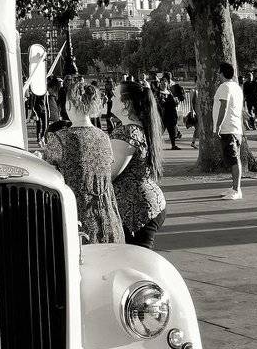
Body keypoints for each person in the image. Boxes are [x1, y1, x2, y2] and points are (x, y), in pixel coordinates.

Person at [42, 79, 124, 243]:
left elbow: (48, 174)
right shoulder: (103, 137)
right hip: (107, 217)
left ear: (69, 105)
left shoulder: (60, 138)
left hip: (77, 218)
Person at [110, 79, 167, 248]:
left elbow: (110, 173)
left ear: (126, 104)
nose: (110, 98)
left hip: (137, 209)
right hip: (145, 204)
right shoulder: (139, 128)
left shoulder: (127, 132)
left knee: (137, 259)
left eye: (114, 96)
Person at [213, 61, 245, 201]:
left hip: (228, 128)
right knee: (233, 158)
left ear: (222, 73)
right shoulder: (236, 87)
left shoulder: (224, 87)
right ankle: (234, 187)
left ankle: (237, 189)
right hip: (235, 127)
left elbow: (224, 107)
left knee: (233, 159)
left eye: (218, 71)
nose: (217, 74)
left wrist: (218, 126)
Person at [160, 78, 181, 150]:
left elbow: (173, 102)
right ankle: (154, 145)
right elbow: (160, 104)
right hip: (163, 115)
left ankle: (173, 145)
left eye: (164, 84)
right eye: (162, 84)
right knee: (160, 131)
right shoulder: (158, 93)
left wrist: (176, 102)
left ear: (167, 84)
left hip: (171, 114)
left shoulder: (169, 92)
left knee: (172, 131)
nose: (163, 85)